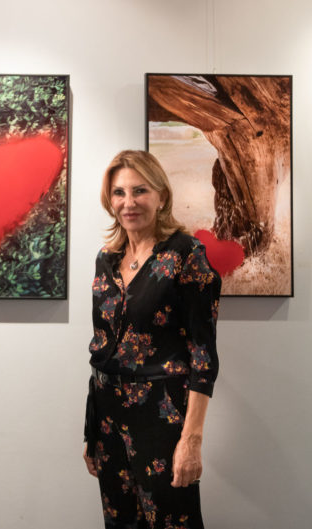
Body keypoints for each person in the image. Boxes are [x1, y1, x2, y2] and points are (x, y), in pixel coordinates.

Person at [82, 150, 220, 528]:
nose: (128, 202)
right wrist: (91, 430)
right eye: (118, 192)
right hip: (108, 416)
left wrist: (190, 440)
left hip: (162, 416)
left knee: (173, 522)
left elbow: (204, 357)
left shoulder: (186, 255)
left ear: (161, 195)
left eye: (139, 190)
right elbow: (102, 348)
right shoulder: (106, 259)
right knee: (120, 523)